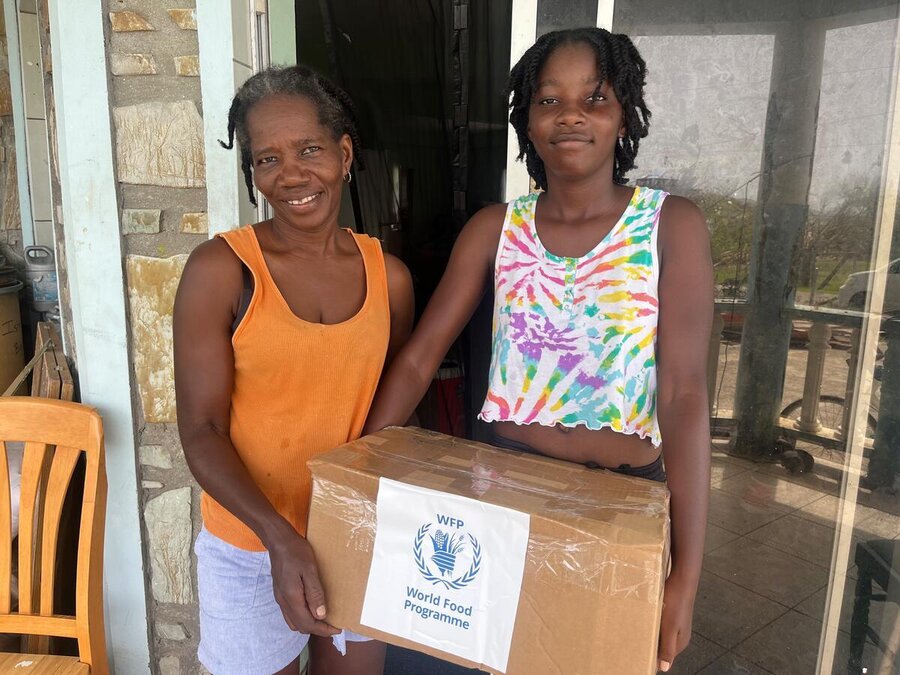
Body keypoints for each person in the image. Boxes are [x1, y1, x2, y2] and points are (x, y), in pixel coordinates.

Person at [364, 27, 712, 673]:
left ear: (624, 114)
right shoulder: (496, 228)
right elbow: (419, 356)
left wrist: (685, 573)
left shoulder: (672, 226)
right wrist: (356, 473)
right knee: (478, 657)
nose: (571, 114)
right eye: (549, 100)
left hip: (624, 501)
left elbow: (685, 394)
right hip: (504, 486)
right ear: (527, 118)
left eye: (595, 97)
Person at [174, 65, 414, 675]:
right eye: (267, 160)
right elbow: (201, 430)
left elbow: (391, 410)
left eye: (309, 150)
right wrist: (280, 539)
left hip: (353, 535)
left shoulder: (389, 277)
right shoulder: (221, 270)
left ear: (345, 153)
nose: (292, 176)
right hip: (250, 545)